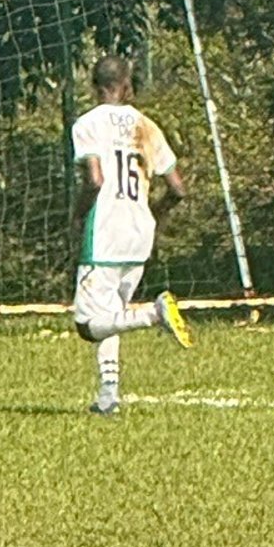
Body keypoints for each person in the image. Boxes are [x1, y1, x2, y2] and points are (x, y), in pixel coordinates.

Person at [70, 54, 194, 415]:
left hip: (105, 231)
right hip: (139, 232)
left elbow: (94, 180)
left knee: (87, 324)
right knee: (113, 313)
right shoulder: (147, 126)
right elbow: (178, 189)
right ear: (126, 85)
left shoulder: (87, 123)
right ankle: (108, 395)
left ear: (95, 86)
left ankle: (154, 314)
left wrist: (77, 216)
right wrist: (156, 213)